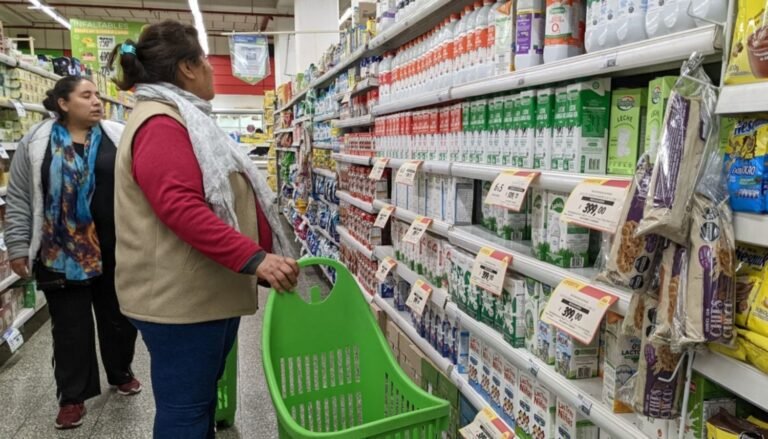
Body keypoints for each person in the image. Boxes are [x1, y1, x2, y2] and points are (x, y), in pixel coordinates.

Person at [109, 20, 299, 438]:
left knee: (198, 404)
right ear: (188, 68)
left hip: (198, 295)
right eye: (208, 62)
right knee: (186, 410)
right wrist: (255, 258)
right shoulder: (161, 123)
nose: (214, 71)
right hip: (180, 302)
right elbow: (180, 207)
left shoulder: (181, 118)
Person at [5, 76, 141, 430]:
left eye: (97, 95)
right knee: (70, 328)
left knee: (119, 319)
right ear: (63, 103)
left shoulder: (118, 134)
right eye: (86, 96)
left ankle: (120, 370)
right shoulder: (37, 143)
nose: (97, 101)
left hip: (117, 249)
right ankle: (72, 397)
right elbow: (20, 198)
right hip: (60, 252)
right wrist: (18, 245)